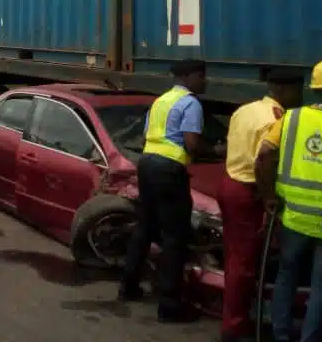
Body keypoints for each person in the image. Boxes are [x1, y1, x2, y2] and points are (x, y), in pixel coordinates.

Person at [254, 58, 322, 342]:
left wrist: (269, 196)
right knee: (321, 285)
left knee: (287, 277)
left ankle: (280, 333)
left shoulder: (291, 117)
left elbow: (264, 156)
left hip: (293, 217)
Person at [119, 58, 221, 323]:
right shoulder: (191, 103)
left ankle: (128, 287)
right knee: (174, 236)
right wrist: (219, 151)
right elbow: (192, 144)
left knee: (145, 227)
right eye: (201, 76)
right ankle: (169, 305)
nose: (205, 81)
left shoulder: (160, 101)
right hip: (169, 169)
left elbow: (148, 135)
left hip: (147, 164)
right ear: (187, 78)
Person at [218, 67, 305, 342]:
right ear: (285, 90)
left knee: (235, 258)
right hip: (249, 192)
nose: (300, 96)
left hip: (230, 183)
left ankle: (235, 317)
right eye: (298, 90)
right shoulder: (275, 119)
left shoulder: (246, 109)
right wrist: (270, 199)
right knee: (245, 263)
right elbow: (265, 161)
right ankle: (235, 326)